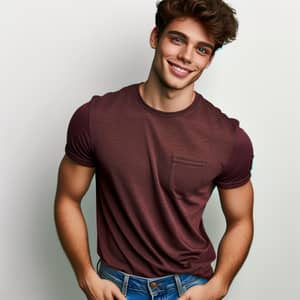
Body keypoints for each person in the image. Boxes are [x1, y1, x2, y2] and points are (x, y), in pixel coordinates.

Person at [54, 0, 254, 299]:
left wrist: (219, 284)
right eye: (177, 39)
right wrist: (86, 275)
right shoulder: (95, 118)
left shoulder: (229, 138)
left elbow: (241, 221)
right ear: (155, 37)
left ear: (209, 59)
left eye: (202, 49)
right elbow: (68, 198)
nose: (186, 56)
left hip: (189, 288)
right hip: (116, 288)